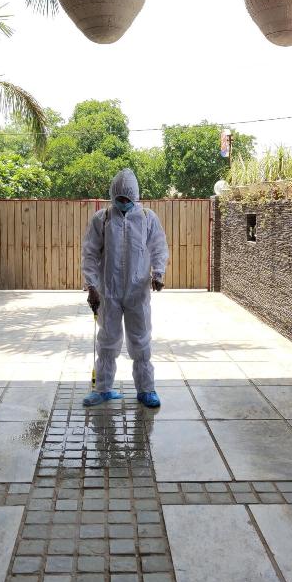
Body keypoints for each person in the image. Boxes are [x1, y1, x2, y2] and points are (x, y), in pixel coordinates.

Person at [81, 168, 169, 408]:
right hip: (108, 290)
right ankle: (102, 389)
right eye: (119, 198)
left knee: (140, 339)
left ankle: (146, 389)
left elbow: (159, 247)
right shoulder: (102, 219)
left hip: (137, 291)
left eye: (126, 198)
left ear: (135, 197)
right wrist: (91, 285)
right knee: (107, 340)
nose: (122, 202)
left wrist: (158, 273)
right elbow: (90, 253)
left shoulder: (148, 218)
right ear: (112, 195)